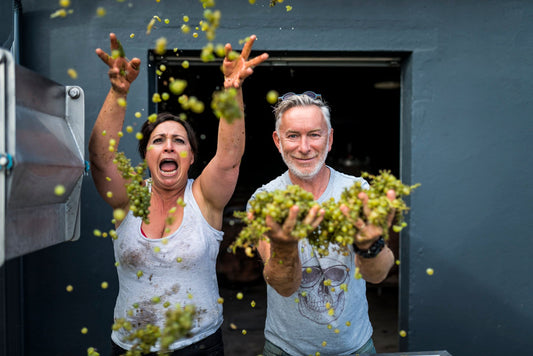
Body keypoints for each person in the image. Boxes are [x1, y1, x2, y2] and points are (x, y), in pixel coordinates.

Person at [89, 33, 268, 355]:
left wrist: (232, 90)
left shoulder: (204, 197)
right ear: (146, 155)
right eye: (158, 141)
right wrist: (118, 93)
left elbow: (229, 158)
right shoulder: (129, 199)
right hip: (131, 347)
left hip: (198, 346)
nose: (169, 145)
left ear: (191, 156)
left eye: (179, 140)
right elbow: (100, 159)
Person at [250, 91, 396, 356]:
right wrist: (284, 248)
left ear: (329, 140)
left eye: (314, 135)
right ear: (278, 141)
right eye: (293, 135)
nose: (304, 147)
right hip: (286, 350)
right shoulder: (264, 201)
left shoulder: (357, 192)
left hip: (355, 348)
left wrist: (370, 246)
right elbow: (283, 285)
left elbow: (377, 275)